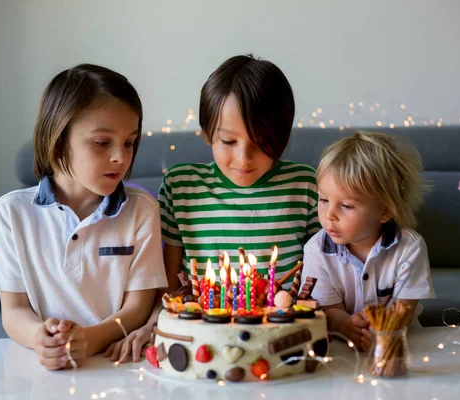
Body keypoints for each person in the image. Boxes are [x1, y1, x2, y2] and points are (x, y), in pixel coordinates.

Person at [107, 54, 321, 362]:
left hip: (282, 341)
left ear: (283, 137)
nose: (244, 158)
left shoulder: (306, 184)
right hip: (199, 340)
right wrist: (155, 324)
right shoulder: (182, 187)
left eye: (261, 143)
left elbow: (325, 266)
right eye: (228, 141)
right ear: (207, 132)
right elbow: (168, 283)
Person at [0, 64, 168, 370]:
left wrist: (91, 339)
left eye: (129, 142)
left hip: (117, 365)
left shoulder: (142, 210)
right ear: (57, 139)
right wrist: (39, 338)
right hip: (44, 372)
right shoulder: (11, 212)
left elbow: (137, 307)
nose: (120, 157)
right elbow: (13, 311)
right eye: (101, 143)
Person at [301, 131, 436, 351]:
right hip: (344, 348)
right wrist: (345, 324)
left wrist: (382, 331)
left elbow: (405, 307)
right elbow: (328, 308)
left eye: (346, 206)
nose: (329, 215)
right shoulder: (316, 250)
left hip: (403, 346)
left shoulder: (409, 247)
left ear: (385, 211)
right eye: (324, 199)